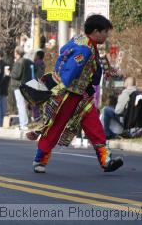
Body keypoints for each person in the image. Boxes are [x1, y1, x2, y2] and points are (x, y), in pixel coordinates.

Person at [30, 15, 123, 173]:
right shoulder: (84, 49)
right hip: (68, 95)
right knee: (55, 126)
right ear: (96, 31)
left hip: (83, 97)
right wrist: (60, 87)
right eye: (105, 32)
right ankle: (40, 159)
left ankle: (106, 160)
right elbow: (70, 69)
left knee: (95, 126)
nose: (107, 35)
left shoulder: (83, 42)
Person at [10, 46, 33, 130]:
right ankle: (25, 122)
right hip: (25, 85)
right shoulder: (27, 61)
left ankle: (23, 124)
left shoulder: (19, 62)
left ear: (17, 53)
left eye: (15, 52)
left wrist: (9, 72)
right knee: (23, 104)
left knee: (21, 105)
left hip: (18, 86)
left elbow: (16, 75)